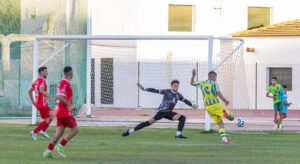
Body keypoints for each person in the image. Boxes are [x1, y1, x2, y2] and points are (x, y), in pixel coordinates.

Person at [122, 80, 198, 139]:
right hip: (161, 111)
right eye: (175, 86)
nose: (176, 87)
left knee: (182, 118)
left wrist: (192, 105)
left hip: (168, 113)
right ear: (171, 86)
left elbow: (185, 100)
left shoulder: (178, 95)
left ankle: (178, 134)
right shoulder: (167, 91)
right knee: (148, 123)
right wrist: (144, 89)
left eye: (177, 86)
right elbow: (155, 90)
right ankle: (130, 131)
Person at [190, 69, 234, 144]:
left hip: (208, 107)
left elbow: (192, 83)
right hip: (215, 105)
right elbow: (217, 92)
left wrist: (193, 75)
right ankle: (226, 114)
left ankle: (225, 140)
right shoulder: (213, 83)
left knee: (220, 123)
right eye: (215, 77)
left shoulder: (202, 83)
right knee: (232, 117)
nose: (215, 79)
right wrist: (225, 100)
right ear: (212, 76)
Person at [43, 66, 79, 158]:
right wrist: (69, 105)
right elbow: (59, 97)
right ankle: (61, 146)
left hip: (61, 111)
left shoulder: (66, 83)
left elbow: (64, 97)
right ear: (69, 73)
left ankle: (48, 151)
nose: (73, 74)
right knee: (75, 130)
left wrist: (70, 104)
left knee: (58, 134)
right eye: (72, 72)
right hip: (64, 111)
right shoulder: (64, 83)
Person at [28, 66, 55, 140]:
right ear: (41, 72)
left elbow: (29, 91)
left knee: (52, 115)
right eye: (45, 71)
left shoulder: (37, 81)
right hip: (42, 104)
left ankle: (42, 131)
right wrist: (51, 97)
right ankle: (34, 132)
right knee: (47, 119)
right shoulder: (42, 81)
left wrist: (33, 101)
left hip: (40, 103)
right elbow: (41, 91)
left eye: (46, 71)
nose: (47, 73)